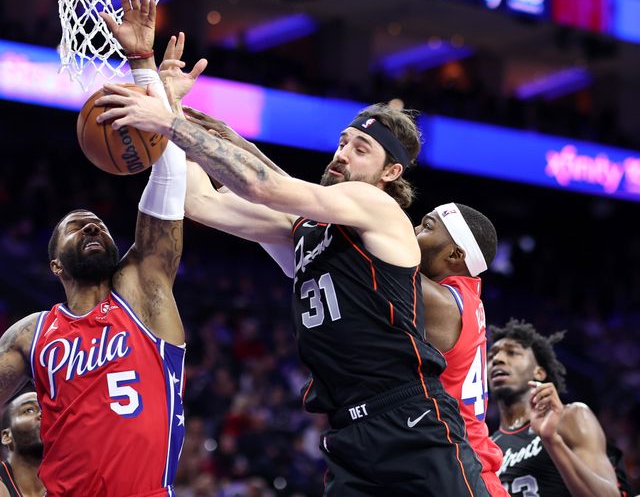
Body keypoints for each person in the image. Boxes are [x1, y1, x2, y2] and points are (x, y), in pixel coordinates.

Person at [97, 83, 488, 494]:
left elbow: (266, 187)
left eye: (361, 149)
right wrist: (163, 96)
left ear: (390, 173)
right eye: (343, 142)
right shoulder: (301, 229)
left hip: (410, 421)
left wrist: (168, 122)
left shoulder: (380, 209)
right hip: (349, 436)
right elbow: (198, 201)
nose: (342, 154)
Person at [0, 0, 195, 496]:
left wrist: (142, 65)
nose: (92, 226)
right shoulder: (34, 334)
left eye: (98, 224)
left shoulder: (142, 290)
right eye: (76, 226)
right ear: (56, 267)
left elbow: (167, 180)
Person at [414, 203, 508, 497]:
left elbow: (370, 256)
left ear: (455, 255)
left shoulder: (443, 303)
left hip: (460, 469)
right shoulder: (465, 299)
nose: (414, 231)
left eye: (426, 227)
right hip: (465, 466)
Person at [488, 319, 622, 497]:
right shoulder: (486, 446)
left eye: (512, 353)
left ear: (539, 372)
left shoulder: (571, 417)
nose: (497, 359)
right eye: (491, 357)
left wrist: (551, 440)